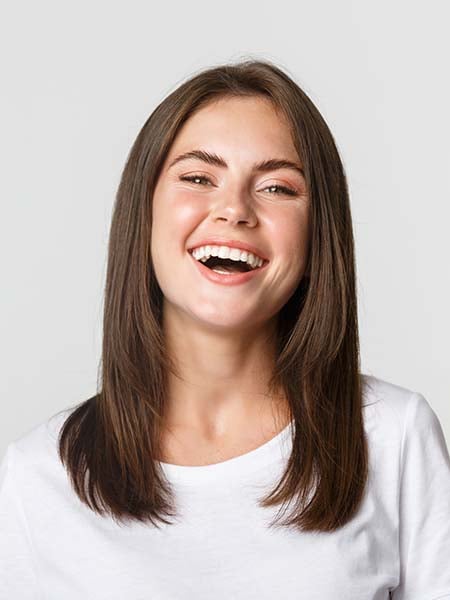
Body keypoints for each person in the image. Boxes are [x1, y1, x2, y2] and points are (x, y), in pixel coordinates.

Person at [1, 59, 449, 599]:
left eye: (278, 187)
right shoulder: (33, 477)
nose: (234, 209)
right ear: (142, 216)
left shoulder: (395, 438)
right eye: (197, 178)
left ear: (316, 241)